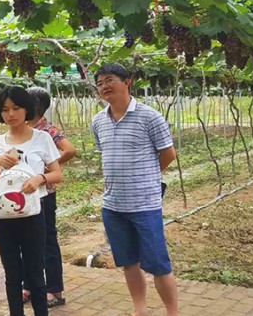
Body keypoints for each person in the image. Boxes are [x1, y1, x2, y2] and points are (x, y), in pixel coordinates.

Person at [90, 63, 179, 316]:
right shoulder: (98, 122)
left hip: (145, 205)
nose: (104, 86)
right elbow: (105, 154)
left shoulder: (149, 116)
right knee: (129, 262)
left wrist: (148, 177)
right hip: (113, 205)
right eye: (99, 83)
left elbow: (168, 154)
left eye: (109, 80)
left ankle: (172, 312)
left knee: (159, 265)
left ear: (127, 81)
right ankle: (140, 309)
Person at [0, 86, 63, 316]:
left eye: (16, 108)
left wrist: (39, 178)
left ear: (26, 109)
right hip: (3, 216)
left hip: (32, 214)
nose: (10, 114)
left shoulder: (42, 138)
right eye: (5, 109)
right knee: (12, 273)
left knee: (36, 272)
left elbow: (57, 174)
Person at [21, 87, 76, 308]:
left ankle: (54, 290)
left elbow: (70, 150)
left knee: (47, 241)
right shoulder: (22, 129)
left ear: (36, 106)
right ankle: (29, 286)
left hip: (44, 193)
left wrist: (49, 167)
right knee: (25, 240)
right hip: (24, 193)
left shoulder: (48, 131)